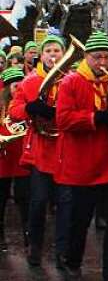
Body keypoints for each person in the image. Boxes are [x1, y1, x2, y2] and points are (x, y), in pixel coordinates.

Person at [55, 31, 108, 281]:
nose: (102, 62)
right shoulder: (71, 82)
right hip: (81, 167)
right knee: (79, 221)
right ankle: (72, 264)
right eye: (97, 56)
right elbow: (63, 120)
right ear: (86, 56)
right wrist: (97, 118)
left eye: (107, 57)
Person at [8, 33, 72, 268]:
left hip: (66, 151)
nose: (52, 55)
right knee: (38, 202)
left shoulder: (71, 79)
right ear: (41, 56)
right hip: (41, 151)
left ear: (63, 54)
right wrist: (30, 108)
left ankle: (63, 252)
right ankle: (34, 245)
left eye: (56, 50)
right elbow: (14, 111)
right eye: (48, 51)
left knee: (66, 204)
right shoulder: (31, 81)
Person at [0, 67, 31, 249]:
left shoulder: (24, 104)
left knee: (24, 197)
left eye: (20, 85)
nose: (17, 88)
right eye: (14, 85)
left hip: (22, 158)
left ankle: (28, 233)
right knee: (1, 197)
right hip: (3, 158)